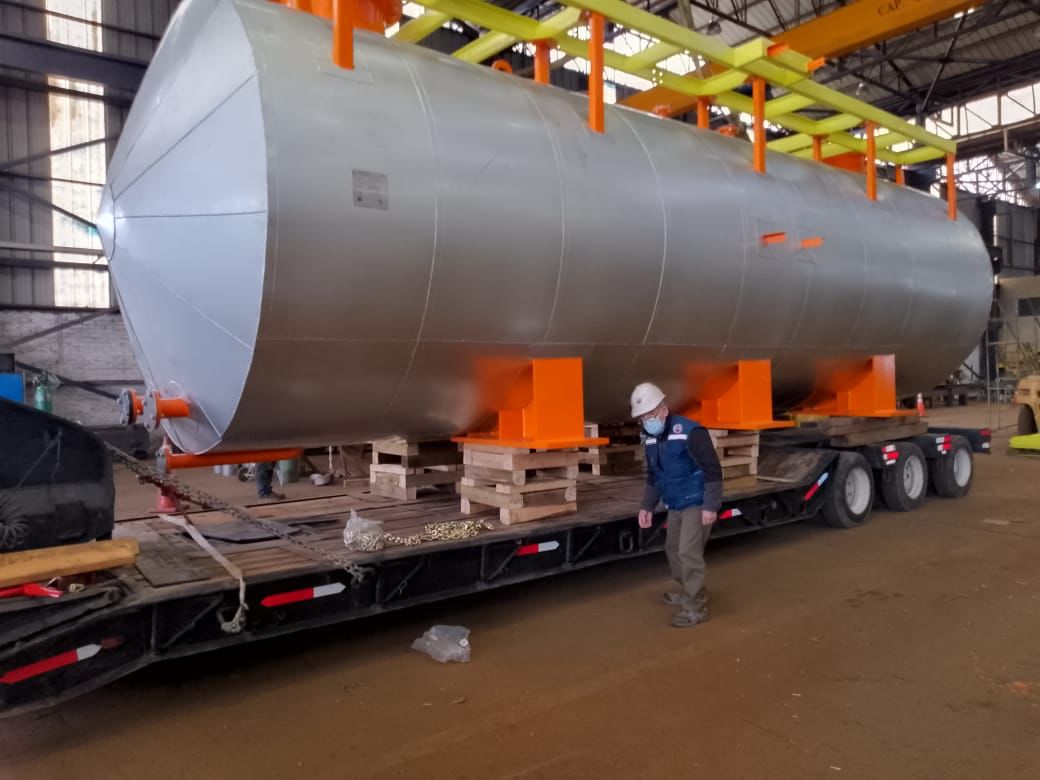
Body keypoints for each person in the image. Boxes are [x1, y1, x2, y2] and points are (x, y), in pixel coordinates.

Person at [631, 382, 723, 628]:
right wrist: (647, 506)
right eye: (642, 418)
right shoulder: (651, 439)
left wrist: (711, 506)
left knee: (688, 553)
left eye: (649, 415)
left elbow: (713, 470)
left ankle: (695, 607)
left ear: (663, 409)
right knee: (672, 549)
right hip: (674, 502)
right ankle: (689, 590)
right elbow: (654, 475)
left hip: (697, 500)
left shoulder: (691, 432)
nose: (646, 421)